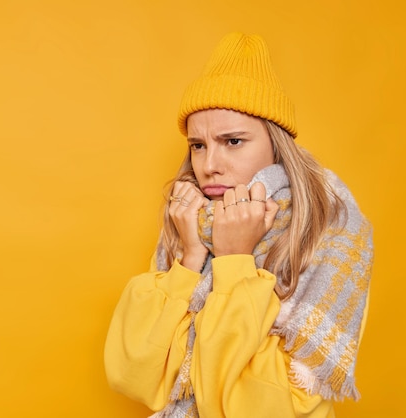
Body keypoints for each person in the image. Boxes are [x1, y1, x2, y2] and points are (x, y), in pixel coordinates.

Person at [104, 32, 374, 418]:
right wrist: (190, 258)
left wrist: (234, 262)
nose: (209, 164)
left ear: (276, 144)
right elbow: (135, 376)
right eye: (198, 145)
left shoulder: (329, 226)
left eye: (232, 141)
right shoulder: (192, 222)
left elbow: (267, 408)